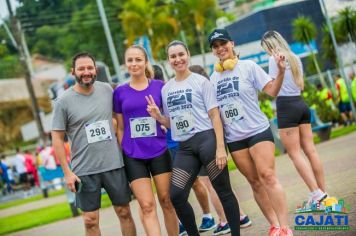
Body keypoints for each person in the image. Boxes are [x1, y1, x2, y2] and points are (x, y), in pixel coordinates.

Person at [146, 40, 240, 236]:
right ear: (168, 60)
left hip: (207, 141)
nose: (177, 59)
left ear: (188, 55)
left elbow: (215, 115)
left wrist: (220, 147)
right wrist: (159, 118)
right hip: (185, 148)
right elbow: (172, 123)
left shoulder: (201, 81)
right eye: (173, 56)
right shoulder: (166, 89)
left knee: (223, 190)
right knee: (177, 195)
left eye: (181, 54)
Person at [209, 28, 292, 236]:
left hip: (257, 130)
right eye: (216, 47)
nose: (220, 49)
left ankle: (285, 227)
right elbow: (214, 114)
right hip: (235, 139)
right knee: (254, 182)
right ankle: (273, 225)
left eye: (223, 44)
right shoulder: (213, 79)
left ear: (232, 43)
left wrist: (280, 72)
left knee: (268, 176)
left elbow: (272, 90)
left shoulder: (248, 67)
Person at [51, 52, 136, 236]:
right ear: (73, 72)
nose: (86, 72)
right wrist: (67, 172)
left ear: (95, 70)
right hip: (84, 170)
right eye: (81, 69)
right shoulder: (63, 101)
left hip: (114, 165)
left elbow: (123, 115)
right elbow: (57, 138)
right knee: (90, 221)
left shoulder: (107, 90)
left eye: (90, 68)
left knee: (124, 212)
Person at [261, 29, 329, 216]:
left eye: (265, 48)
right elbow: (301, 84)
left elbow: (274, 87)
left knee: (294, 153)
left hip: (286, 105)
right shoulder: (294, 57)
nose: (267, 52)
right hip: (300, 103)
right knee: (311, 150)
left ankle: (317, 195)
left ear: (269, 45)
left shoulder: (274, 59)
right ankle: (322, 193)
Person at [113, 45, 178, 236]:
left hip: (159, 150)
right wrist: (124, 147)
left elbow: (169, 119)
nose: (134, 64)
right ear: (125, 64)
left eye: (138, 59)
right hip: (133, 155)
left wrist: (160, 118)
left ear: (145, 62)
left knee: (166, 200)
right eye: (130, 60)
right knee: (147, 206)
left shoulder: (160, 87)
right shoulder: (119, 92)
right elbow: (120, 126)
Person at [189, 64, 252, 235]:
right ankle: (240, 216)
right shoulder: (210, 92)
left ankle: (224, 220)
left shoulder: (198, 94)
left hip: (207, 142)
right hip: (216, 140)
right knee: (223, 185)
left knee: (212, 185)